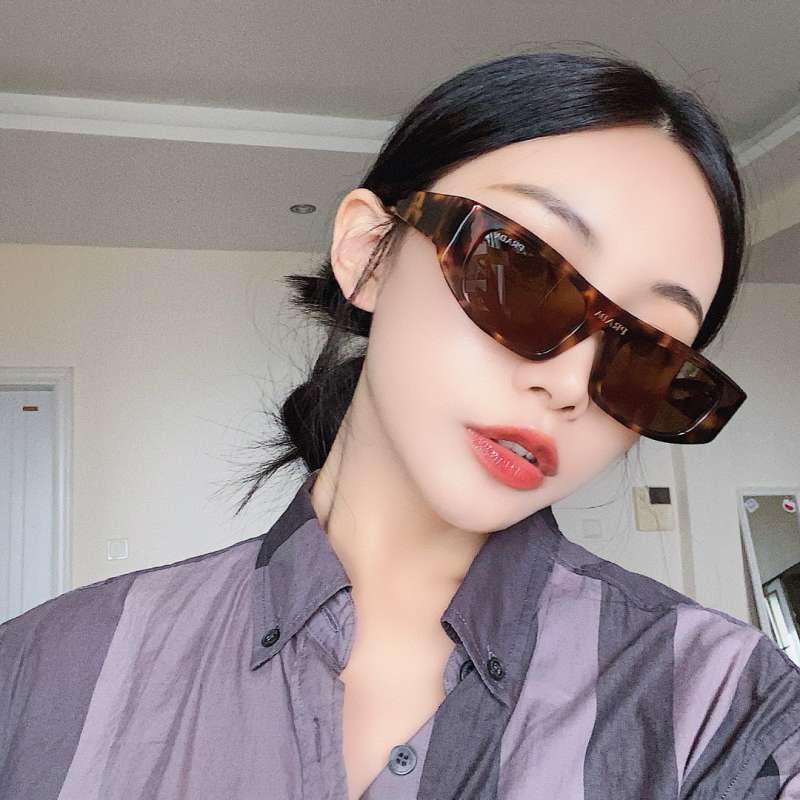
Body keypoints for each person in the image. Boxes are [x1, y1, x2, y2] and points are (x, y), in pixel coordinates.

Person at [1, 48, 798, 800]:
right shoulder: (45, 671)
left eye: (648, 350)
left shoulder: (732, 713)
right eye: (522, 272)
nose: (567, 386)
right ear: (370, 252)